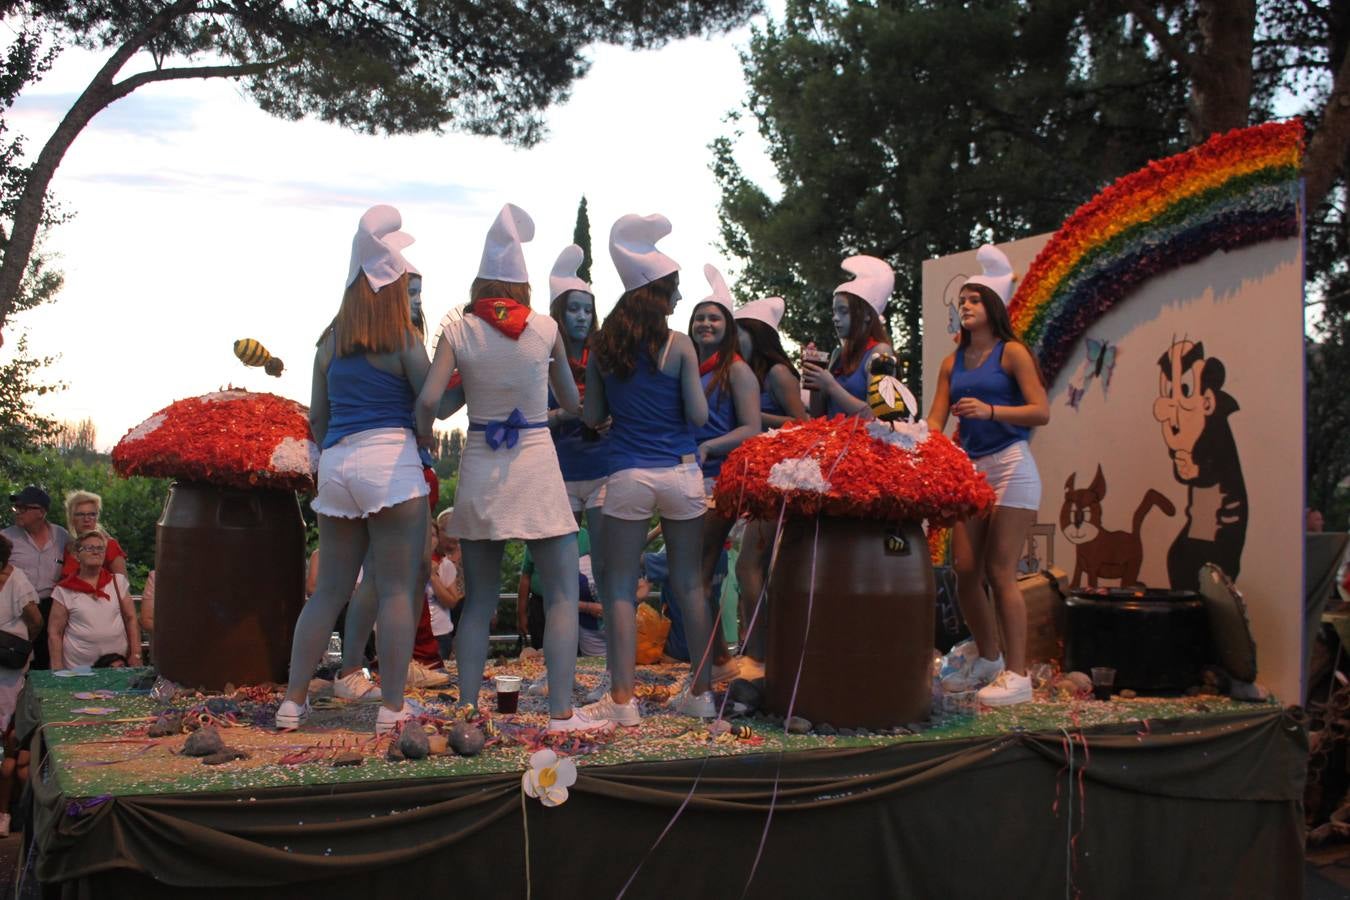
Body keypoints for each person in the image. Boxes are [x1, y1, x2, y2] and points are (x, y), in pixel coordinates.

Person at [416, 203, 606, 733]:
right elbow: (573, 401)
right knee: (564, 592)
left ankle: (467, 712)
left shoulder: (459, 327)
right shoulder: (545, 329)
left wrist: (422, 435)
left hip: (481, 460)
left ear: (482, 281)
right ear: (523, 283)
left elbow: (434, 399)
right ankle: (562, 713)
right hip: (537, 462)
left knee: (476, 601)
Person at [275, 204, 434, 735]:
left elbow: (316, 417)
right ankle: (391, 709)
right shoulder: (405, 340)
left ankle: (293, 703)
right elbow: (430, 400)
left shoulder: (328, 342)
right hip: (390, 460)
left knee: (327, 592)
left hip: (338, 463)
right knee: (394, 590)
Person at [579, 213, 715, 724]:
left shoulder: (603, 347)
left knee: (617, 587)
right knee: (690, 585)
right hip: (681, 473)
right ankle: (700, 695)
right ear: (658, 295)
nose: (680, 300)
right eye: (675, 290)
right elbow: (700, 416)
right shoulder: (680, 345)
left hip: (627, 475)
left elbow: (593, 416)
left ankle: (621, 702)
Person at [925, 243, 1049, 707]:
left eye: (974, 300)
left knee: (1000, 571)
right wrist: (921, 439)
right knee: (963, 572)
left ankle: (1019, 677)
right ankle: (992, 659)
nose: (966, 307)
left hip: (1012, 465)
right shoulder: (951, 363)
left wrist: (991, 409)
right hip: (968, 471)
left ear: (993, 307)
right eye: (962, 302)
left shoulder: (1012, 353)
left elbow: (1041, 411)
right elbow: (936, 420)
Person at [690, 265, 761, 675]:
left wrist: (710, 445)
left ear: (727, 326)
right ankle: (716, 658)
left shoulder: (735, 370)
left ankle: (719, 661)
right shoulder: (688, 368)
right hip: (689, 476)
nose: (705, 323)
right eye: (700, 317)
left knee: (699, 574)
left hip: (722, 479)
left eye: (714, 317)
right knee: (698, 575)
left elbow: (751, 429)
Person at [733, 296, 809, 674]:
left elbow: (803, 424)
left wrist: (750, 413)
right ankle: (756, 646)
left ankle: (760, 652)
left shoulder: (778, 374)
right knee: (749, 567)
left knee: (749, 566)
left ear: (757, 335)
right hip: (758, 477)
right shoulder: (746, 374)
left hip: (780, 479)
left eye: (740, 333)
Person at [802, 255, 896, 417]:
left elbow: (877, 415)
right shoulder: (837, 355)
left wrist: (831, 385)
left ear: (867, 314)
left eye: (843, 311)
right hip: (833, 439)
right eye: (834, 311)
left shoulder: (881, 352)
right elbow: (817, 415)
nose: (835, 318)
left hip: (863, 441)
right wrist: (814, 376)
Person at [48, 530, 141, 670]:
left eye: (100, 548)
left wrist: (136, 654)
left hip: (116, 666)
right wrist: (57, 667)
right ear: (77, 555)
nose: (95, 552)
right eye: (89, 548)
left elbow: (131, 618)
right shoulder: (64, 590)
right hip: (77, 668)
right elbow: (55, 632)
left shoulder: (117, 582)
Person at [3, 486, 68, 670]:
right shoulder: (6, 538)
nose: (17, 512)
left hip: (53, 605)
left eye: (23, 508)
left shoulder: (61, 536)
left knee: (50, 660)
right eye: (16, 508)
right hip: (20, 607)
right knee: (19, 660)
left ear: (41, 512)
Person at [59, 491, 128, 578]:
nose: (86, 519)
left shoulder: (109, 545)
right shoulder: (69, 547)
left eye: (92, 514)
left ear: (97, 517)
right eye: (80, 514)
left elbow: (123, 585)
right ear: (71, 517)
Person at [429, 508, 463, 662]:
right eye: (450, 541)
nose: (452, 546)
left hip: (442, 630)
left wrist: (432, 578)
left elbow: (452, 601)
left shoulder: (445, 564)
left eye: (456, 542)